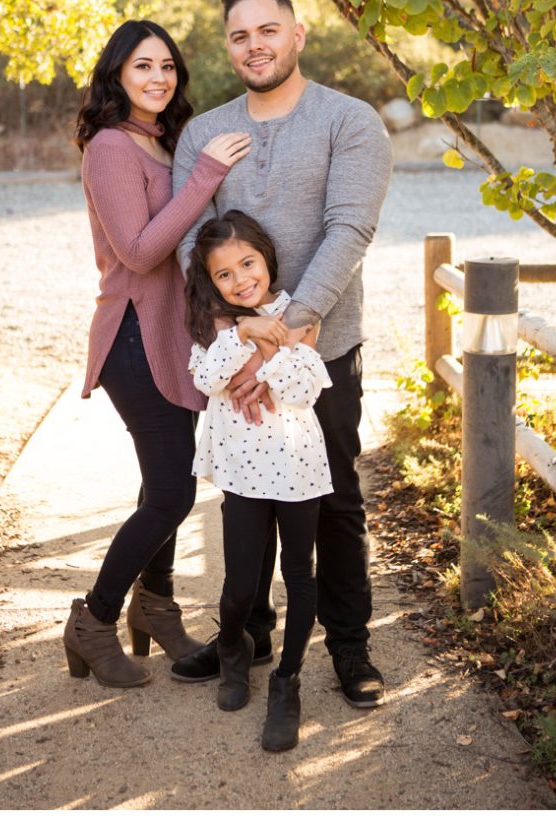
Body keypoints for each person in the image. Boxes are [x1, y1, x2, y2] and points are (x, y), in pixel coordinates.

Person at [171, 0, 393, 709]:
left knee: (331, 502)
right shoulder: (204, 132)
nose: (254, 44)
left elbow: (348, 228)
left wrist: (285, 332)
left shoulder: (349, 120)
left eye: (268, 30)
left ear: (297, 35)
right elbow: (188, 250)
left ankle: (349, 648)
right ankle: (248, 634)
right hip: (234, 350)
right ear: (227, 46)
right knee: (246, 500)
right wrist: (238, 334)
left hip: (320, 354)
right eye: (239, 35)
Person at [63, 19, 252, 688]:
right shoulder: (112, 148)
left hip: (173, 336)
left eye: (167, 66)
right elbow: (140, 253)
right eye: (143, 66)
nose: (159, 78)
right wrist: (204, 175)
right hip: (133, 339)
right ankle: (94, 619)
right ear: (117, 74)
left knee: (162, 478)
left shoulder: (161, 141)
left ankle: (156, 606)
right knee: (172, 492)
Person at [185, 210, 333, 751]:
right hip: (243, 474)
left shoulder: (299, 311)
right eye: (225, 273)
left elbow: (300, 389)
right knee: (240, 585)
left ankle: (287, 681)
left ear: (266, 259)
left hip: (298, 471)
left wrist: (267, 348)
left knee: (299, 575)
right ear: (211, 280)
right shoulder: (215, 323)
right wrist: (246, 332)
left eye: (248, 263)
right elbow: (207, 379)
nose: (240, 279)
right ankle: (232, 651)